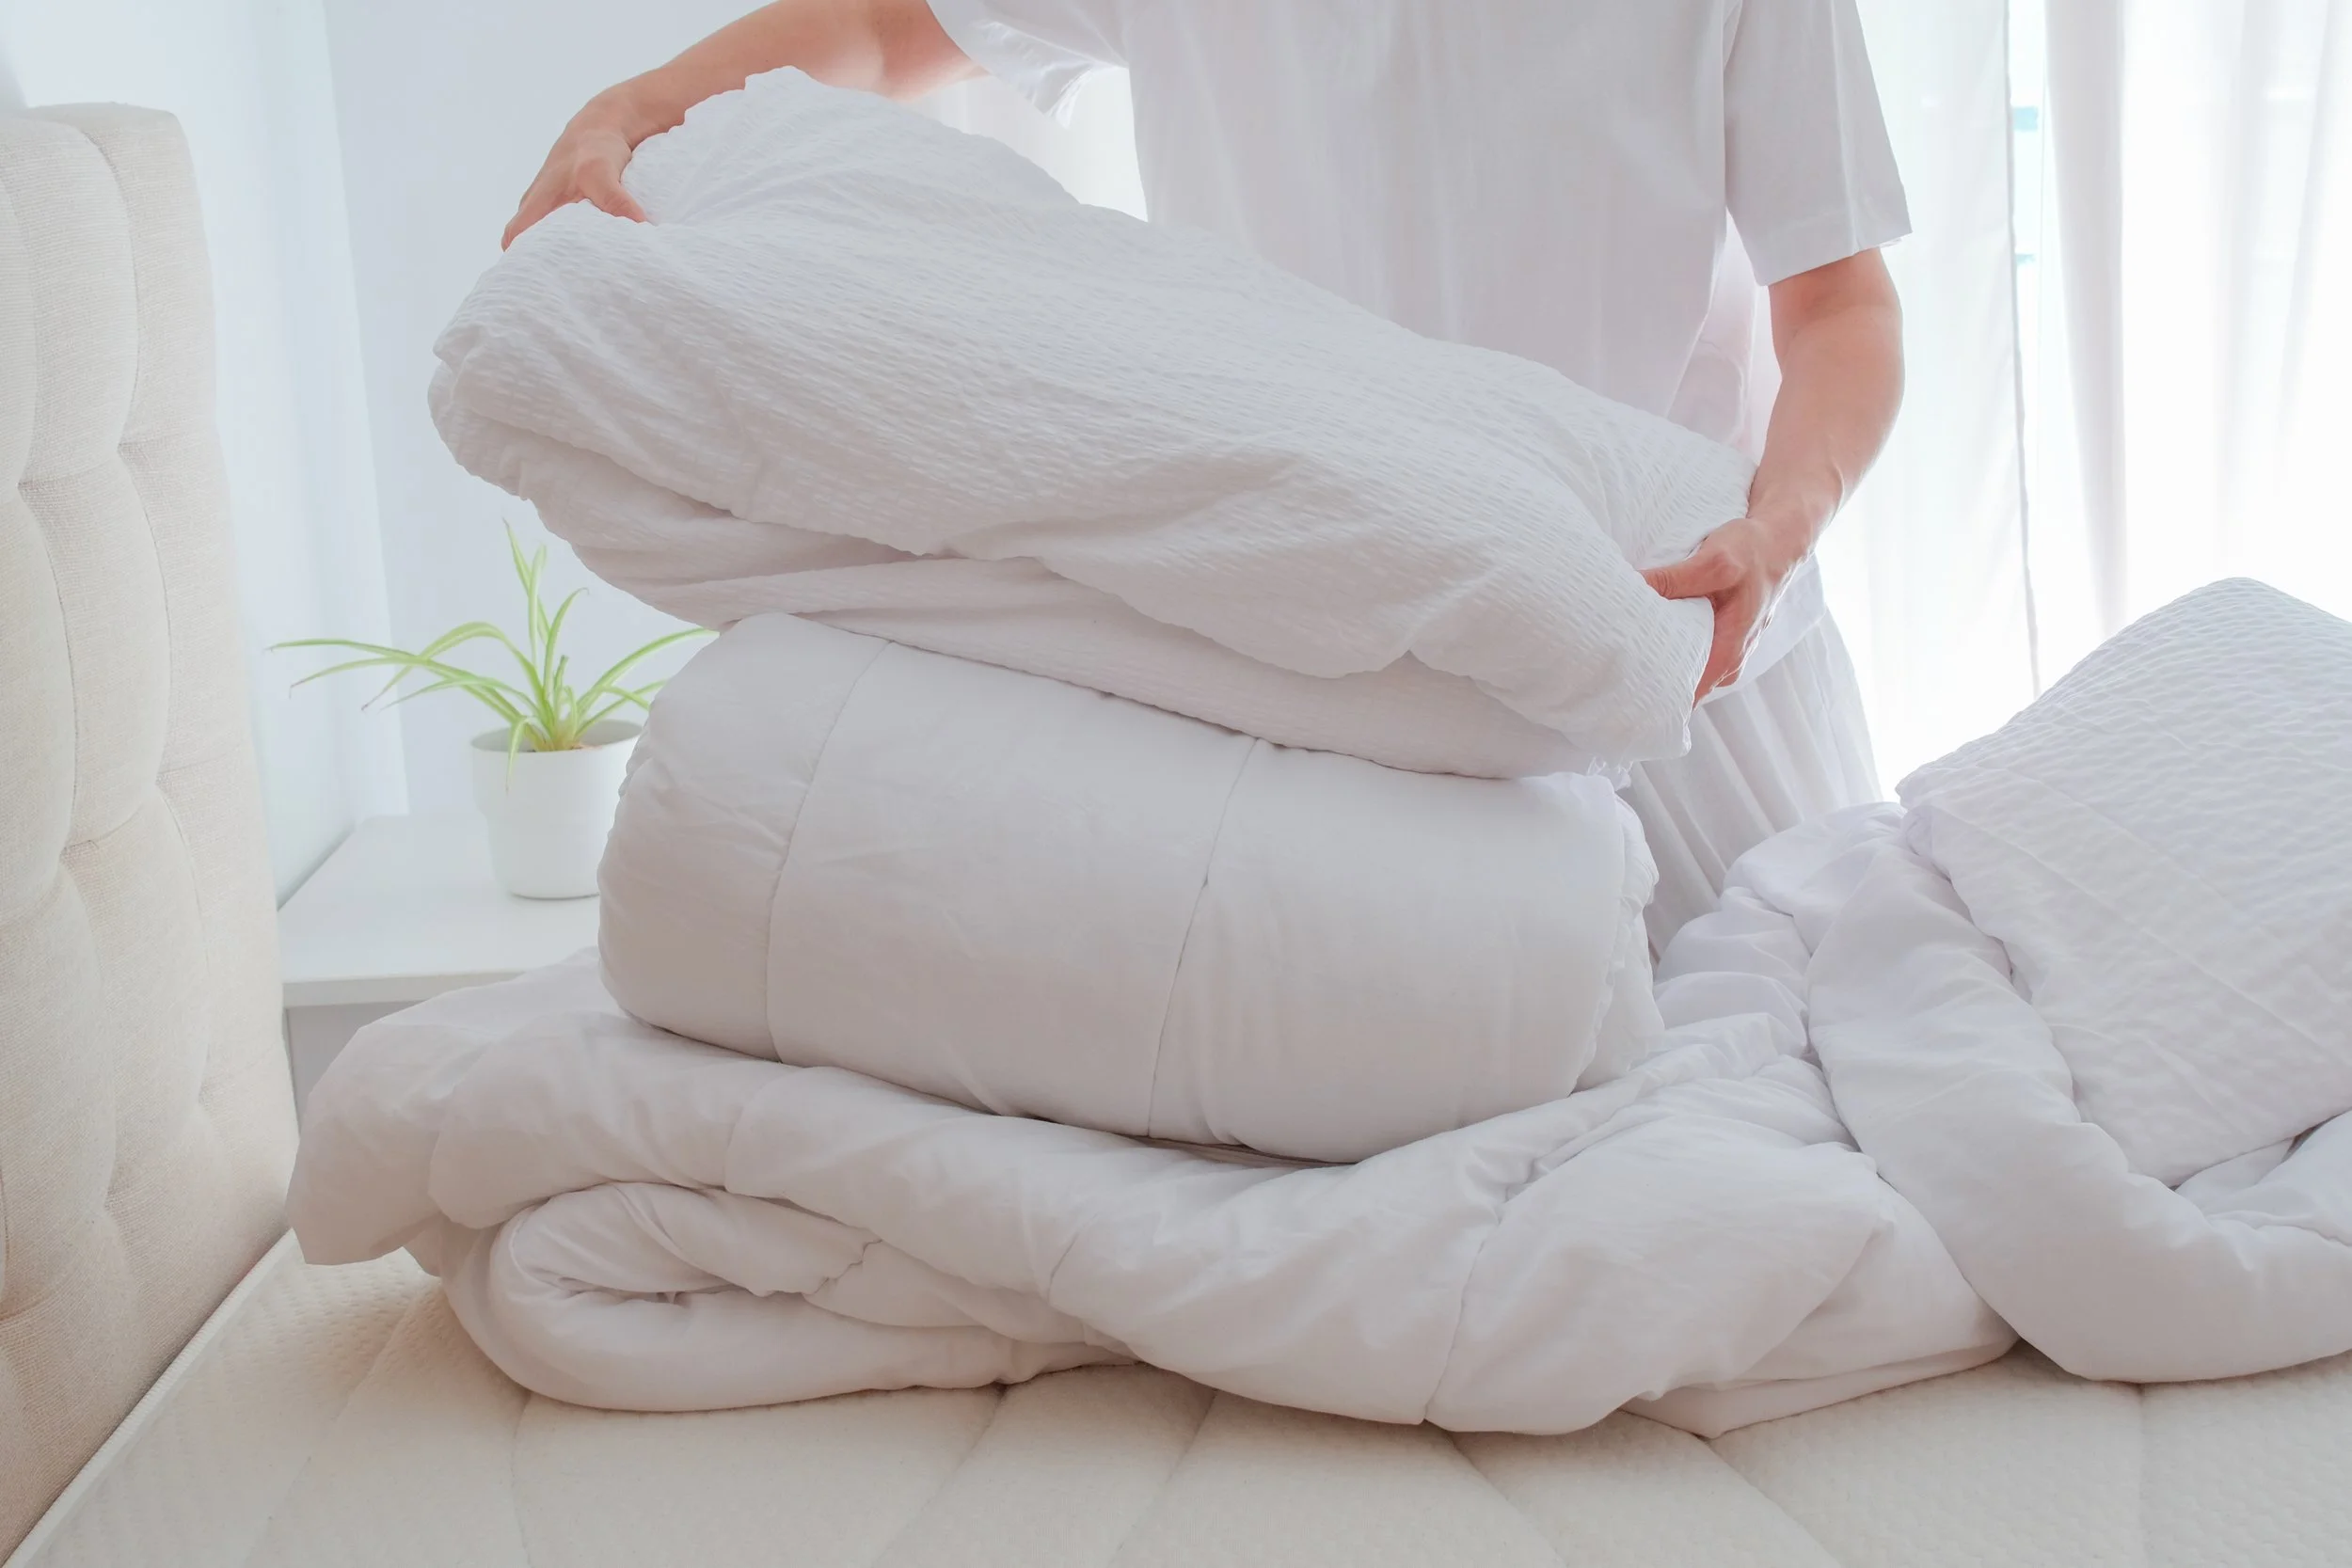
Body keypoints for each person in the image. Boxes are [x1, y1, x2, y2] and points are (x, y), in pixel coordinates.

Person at [507, 0, 1907, 948]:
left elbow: (1840, 302)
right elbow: (887, 24)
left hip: (1681, 635)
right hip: (1324, 644)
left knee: (1784, 1103)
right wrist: (643, 103)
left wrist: (1785, 517)